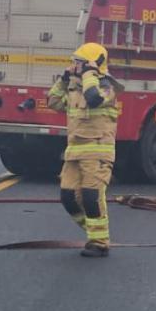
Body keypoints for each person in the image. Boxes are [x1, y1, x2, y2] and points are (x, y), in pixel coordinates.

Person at [47, 42, 122, 257]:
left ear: (92, 63)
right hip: (75, 152)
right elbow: (52, 102)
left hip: (98, 152)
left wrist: (91, 72)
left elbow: (94, 99)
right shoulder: (74, 88)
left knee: (91, 197)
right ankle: (95, 233)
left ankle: (99, 243)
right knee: (68, 197)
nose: (74, 65)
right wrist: (63, 80)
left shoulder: (107, 86)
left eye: (79, 62)